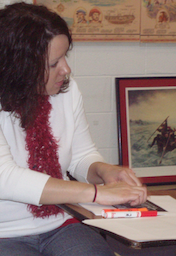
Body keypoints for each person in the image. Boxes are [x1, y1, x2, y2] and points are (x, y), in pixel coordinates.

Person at [0, 2, 147, 255]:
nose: (66, 69)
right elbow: (6, 179)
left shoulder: (67, 92)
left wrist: (105, 171)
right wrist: (97, 193)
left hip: (59, 222)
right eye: (53, 62)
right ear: (18, 66)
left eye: (65, 56)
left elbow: (80, 156)